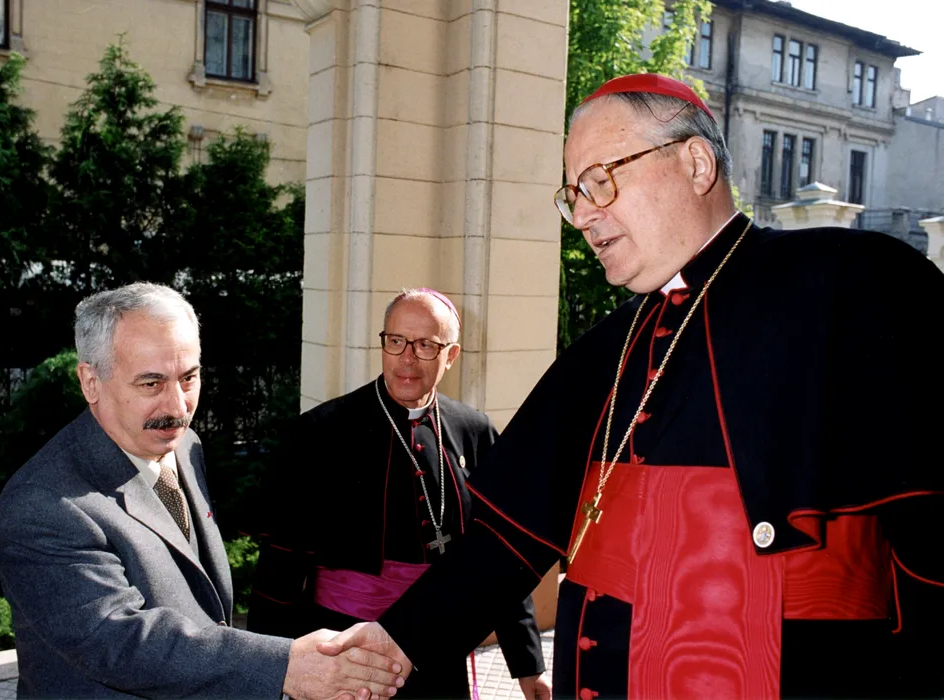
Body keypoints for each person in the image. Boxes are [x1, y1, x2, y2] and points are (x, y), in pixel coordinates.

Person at [318, 74, 944, 699]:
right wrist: (397, 641)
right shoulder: (607, 348)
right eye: (573, 195)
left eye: (601, 180)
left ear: (696, 163)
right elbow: (510, 540)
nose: (582, 216)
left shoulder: (852, 283)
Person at [0, 282, 405, 699]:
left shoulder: (183, 445)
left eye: (188, 378)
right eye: (151, 384)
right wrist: (286, 667)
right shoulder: (43, 504)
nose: (178, 407)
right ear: (90, 382)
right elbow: (122, 643)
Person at [247, 288, 550, 700]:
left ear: (451, 355)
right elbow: (279, 567)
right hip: (345, 651)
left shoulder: (474, 431)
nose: (407, 358)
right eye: (396, 341)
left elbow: (498, 555)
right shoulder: (320, 432)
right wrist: (268, 671)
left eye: (425, 345)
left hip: (438, 648)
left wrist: (528, 664)